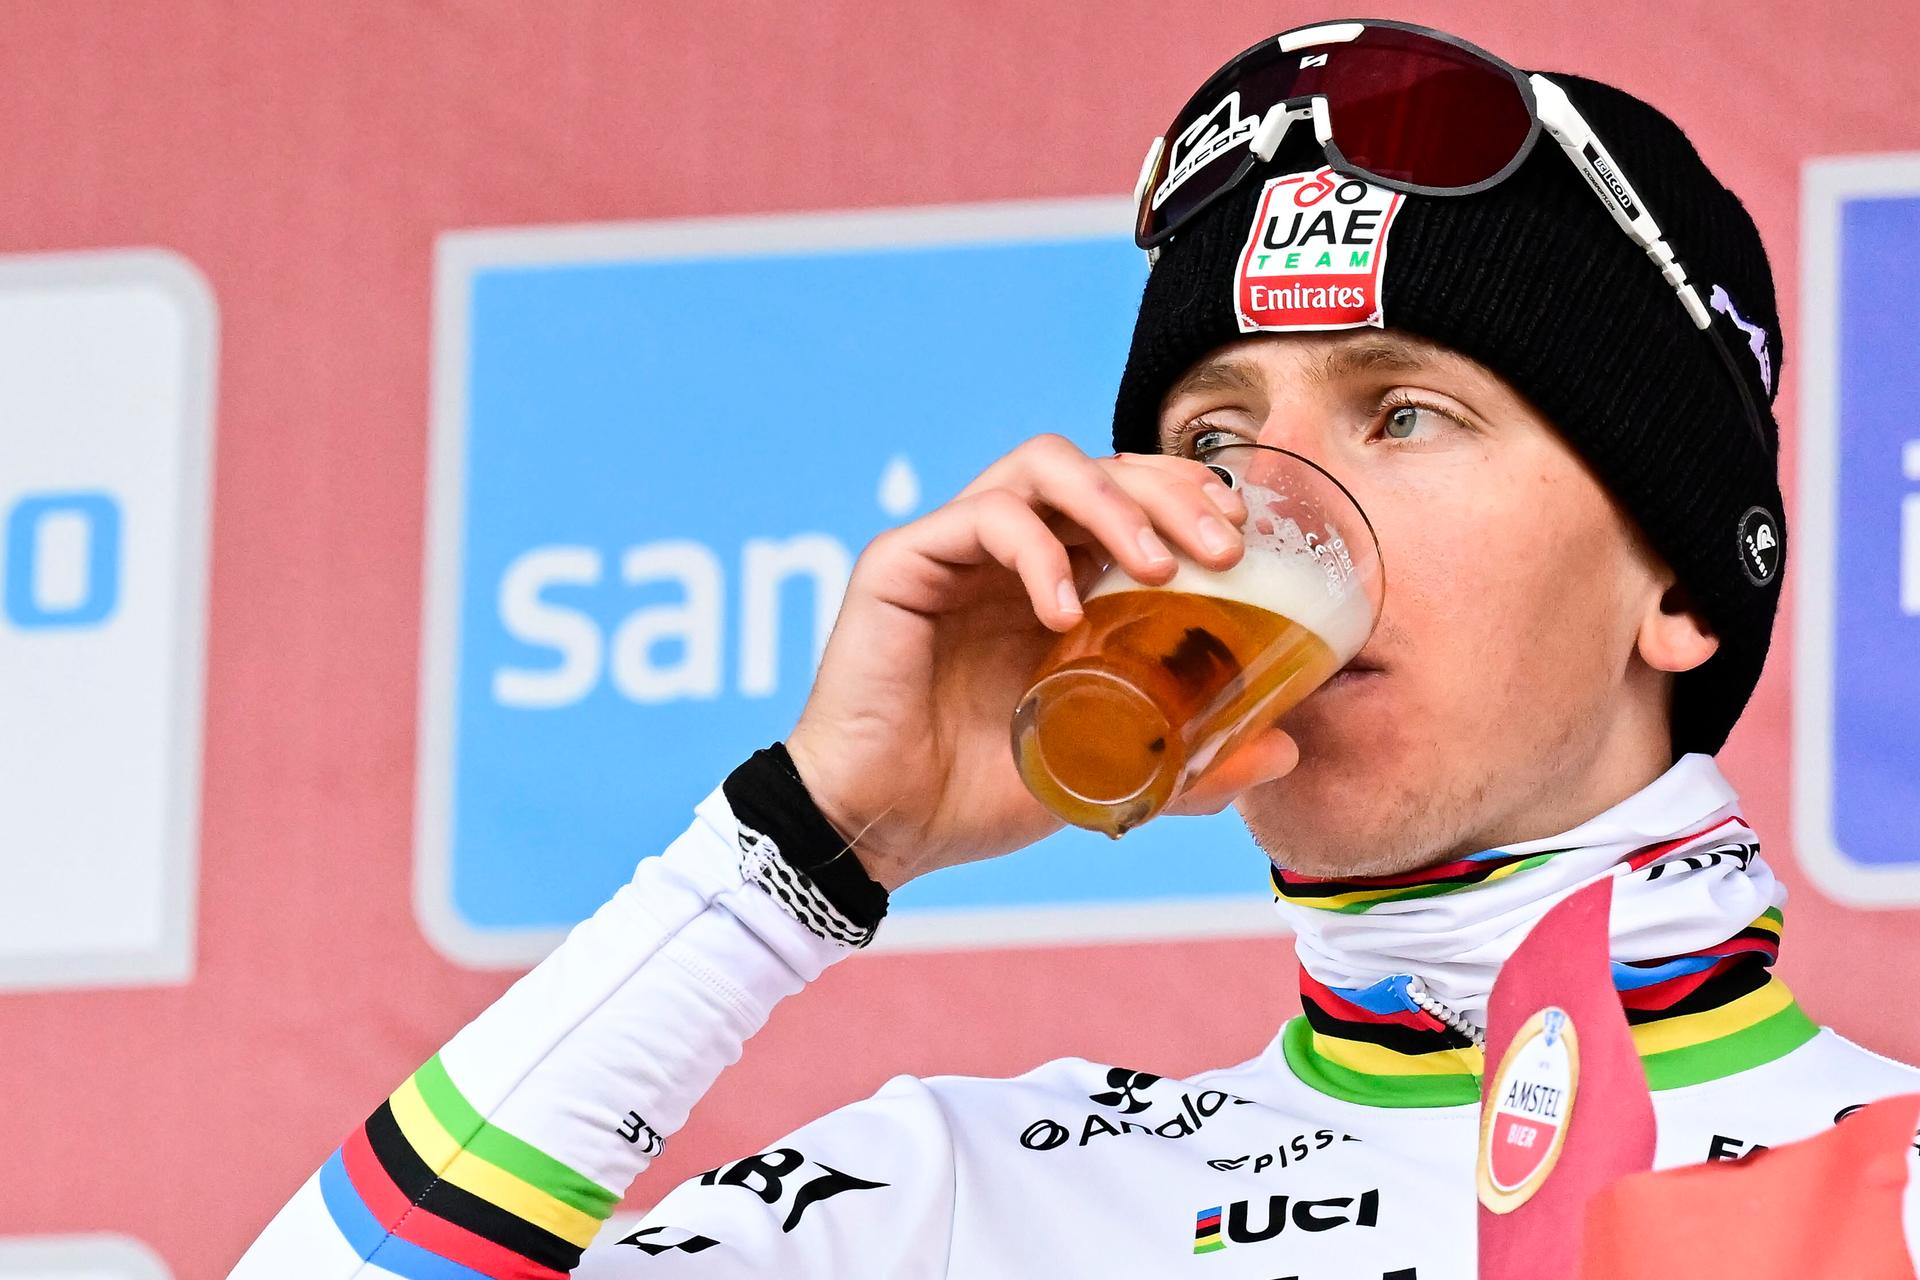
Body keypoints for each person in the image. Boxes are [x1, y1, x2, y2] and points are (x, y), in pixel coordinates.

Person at [234, 20, 1920, 1279]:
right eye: (1209, 442)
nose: (1269, 510)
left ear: (1681, 583)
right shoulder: (963, 1201)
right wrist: (799, 852)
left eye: (1406, 413)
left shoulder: (1896, 1195)